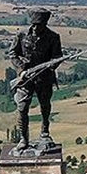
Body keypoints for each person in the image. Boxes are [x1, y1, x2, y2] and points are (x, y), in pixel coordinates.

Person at [10, 9, 62, 150]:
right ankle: (23, 139)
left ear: (45, 24)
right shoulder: (21, 35)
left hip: (44, 78)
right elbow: (13, 54)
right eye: (35, 24)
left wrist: (53, 64)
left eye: (40, 25)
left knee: (45, 106)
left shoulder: (53, 37)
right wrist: (21, 70)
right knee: (22, 107)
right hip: (25, 79)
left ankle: (44, 133)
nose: (37, 27)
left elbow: (57, 56)